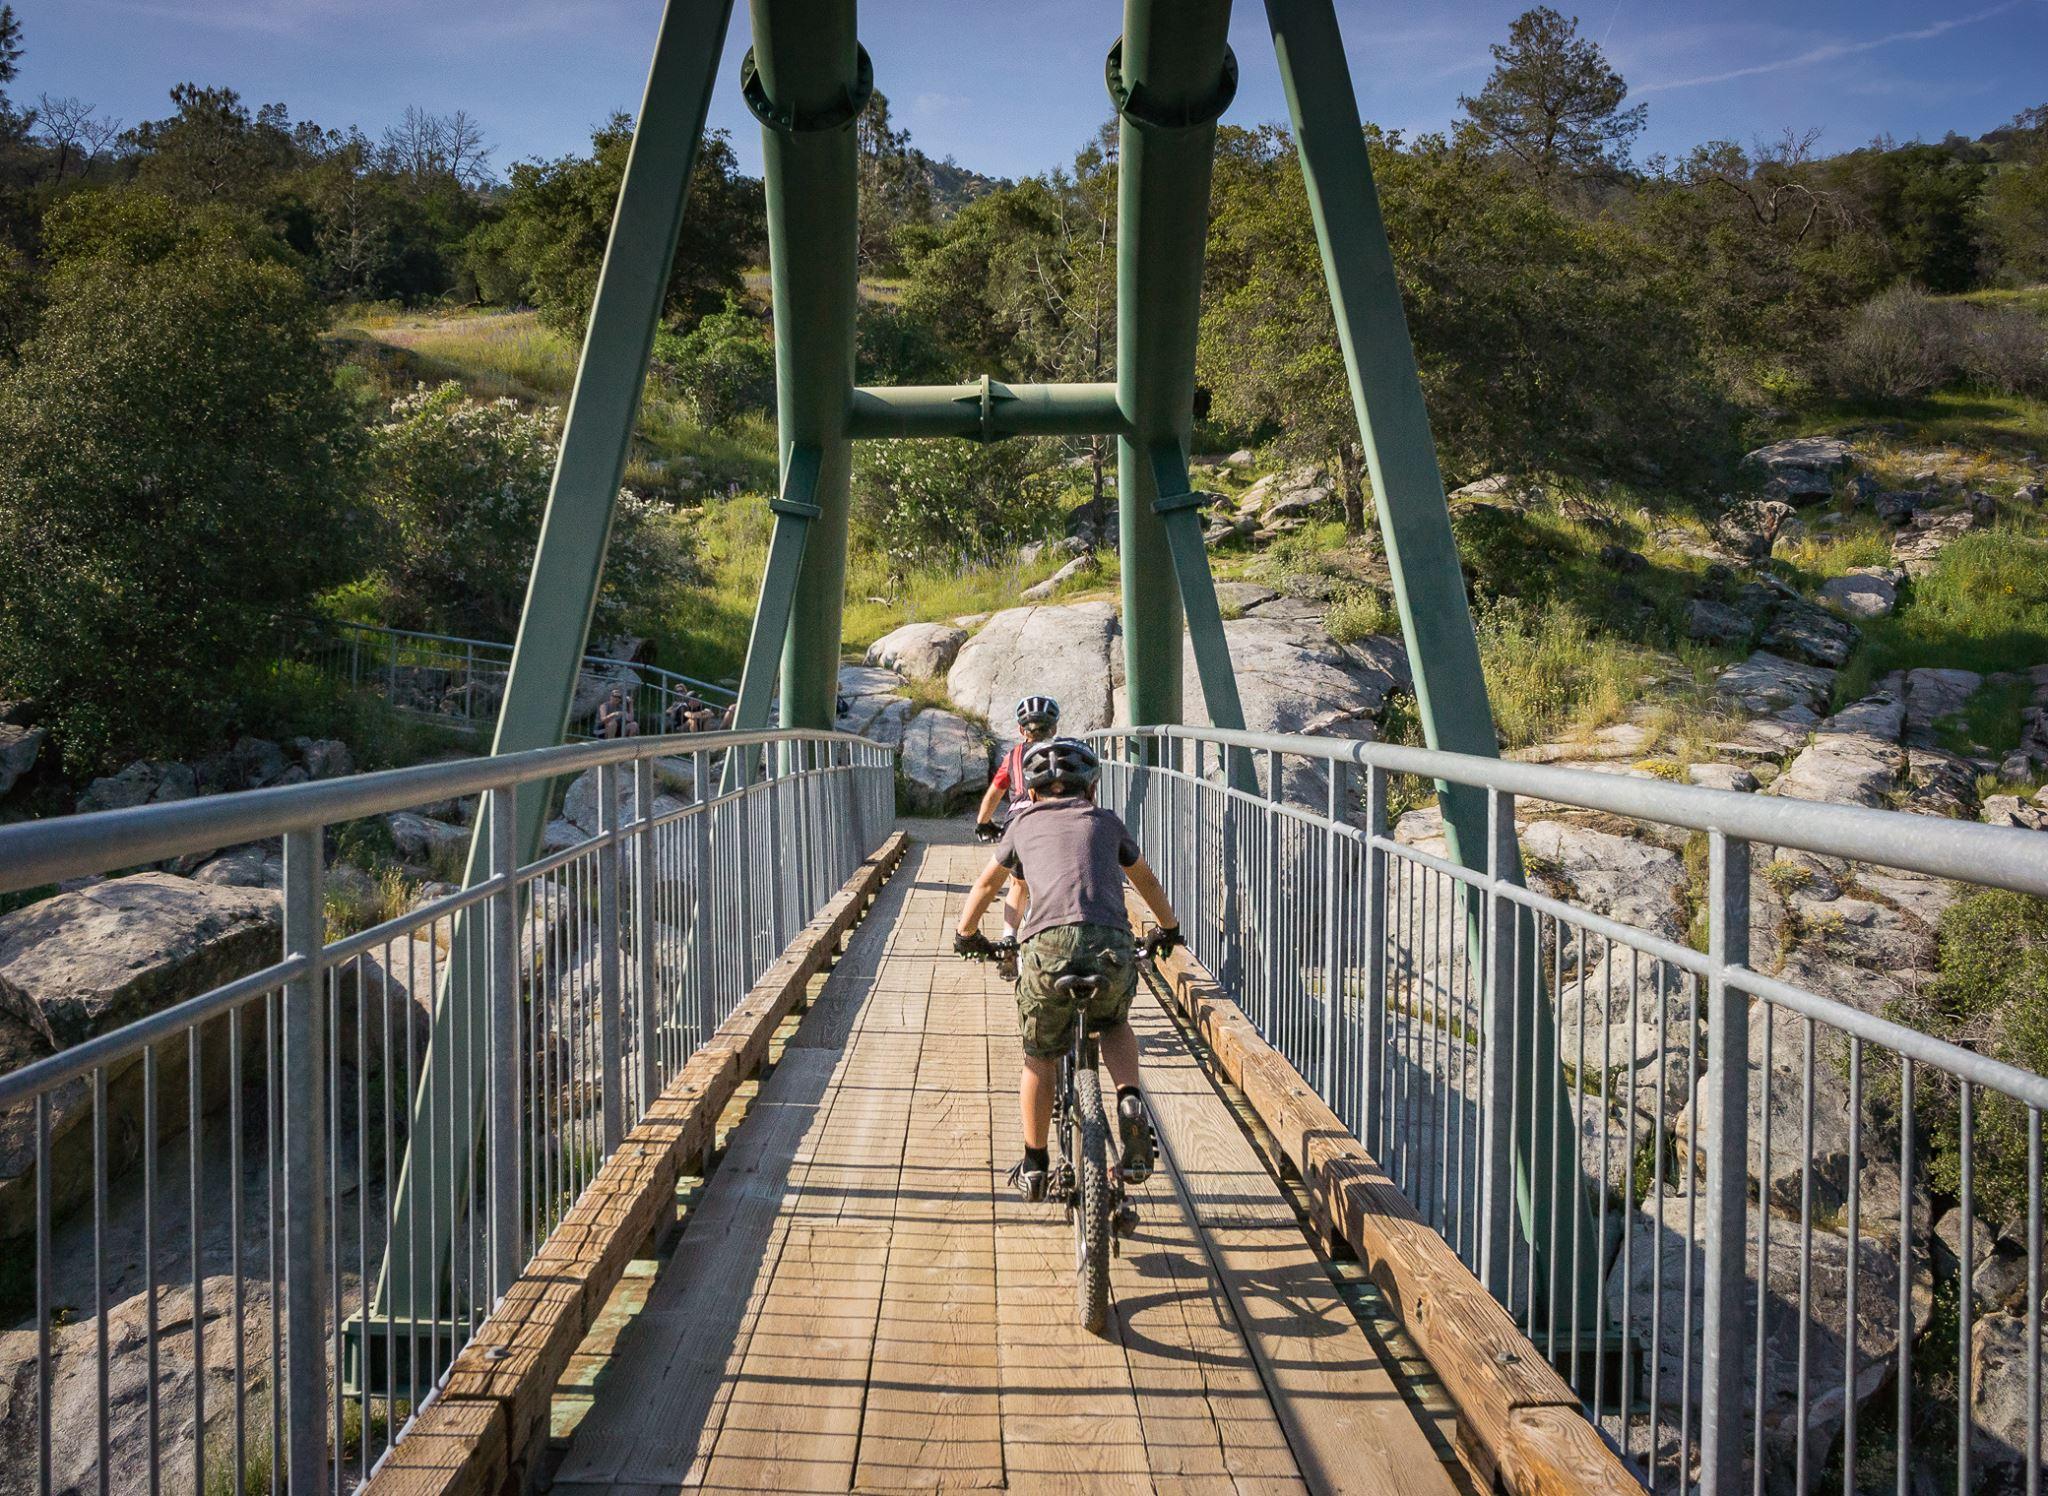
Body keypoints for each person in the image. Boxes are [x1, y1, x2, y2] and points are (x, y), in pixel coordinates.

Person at [953, 737, 1182, 1203]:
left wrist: (966, 934)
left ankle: (1035, 1165)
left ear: (1032, 793)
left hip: (1046, 948)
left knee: (1040, 1055)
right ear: (1091, 789)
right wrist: (1168, 928)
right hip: (1110, 944)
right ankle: (1128, 1098)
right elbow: (1146, 879)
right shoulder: (1106, 822)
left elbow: (987, 884)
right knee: (1114, 1022)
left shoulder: (1019, 825)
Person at [971, 695, 1061, 980]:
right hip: (1055, 823)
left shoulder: (1012, 757)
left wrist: (983, 822)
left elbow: (995, 793)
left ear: (1022, 730)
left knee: (1018, 884)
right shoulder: (1062, 753)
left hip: (1018, 825)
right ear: (1055, 729)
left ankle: (1009, 940)